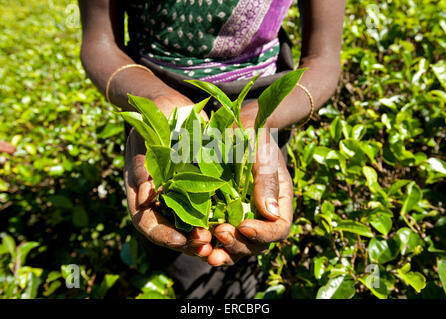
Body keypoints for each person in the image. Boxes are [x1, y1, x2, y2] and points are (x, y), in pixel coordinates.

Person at [78, 0, 345, 298]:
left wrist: (260, 121)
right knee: (172, 239)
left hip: (262, 108)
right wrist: (153, 99)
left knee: (247, 242)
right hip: (152, 98)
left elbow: (324, 57)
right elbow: (99, 43)